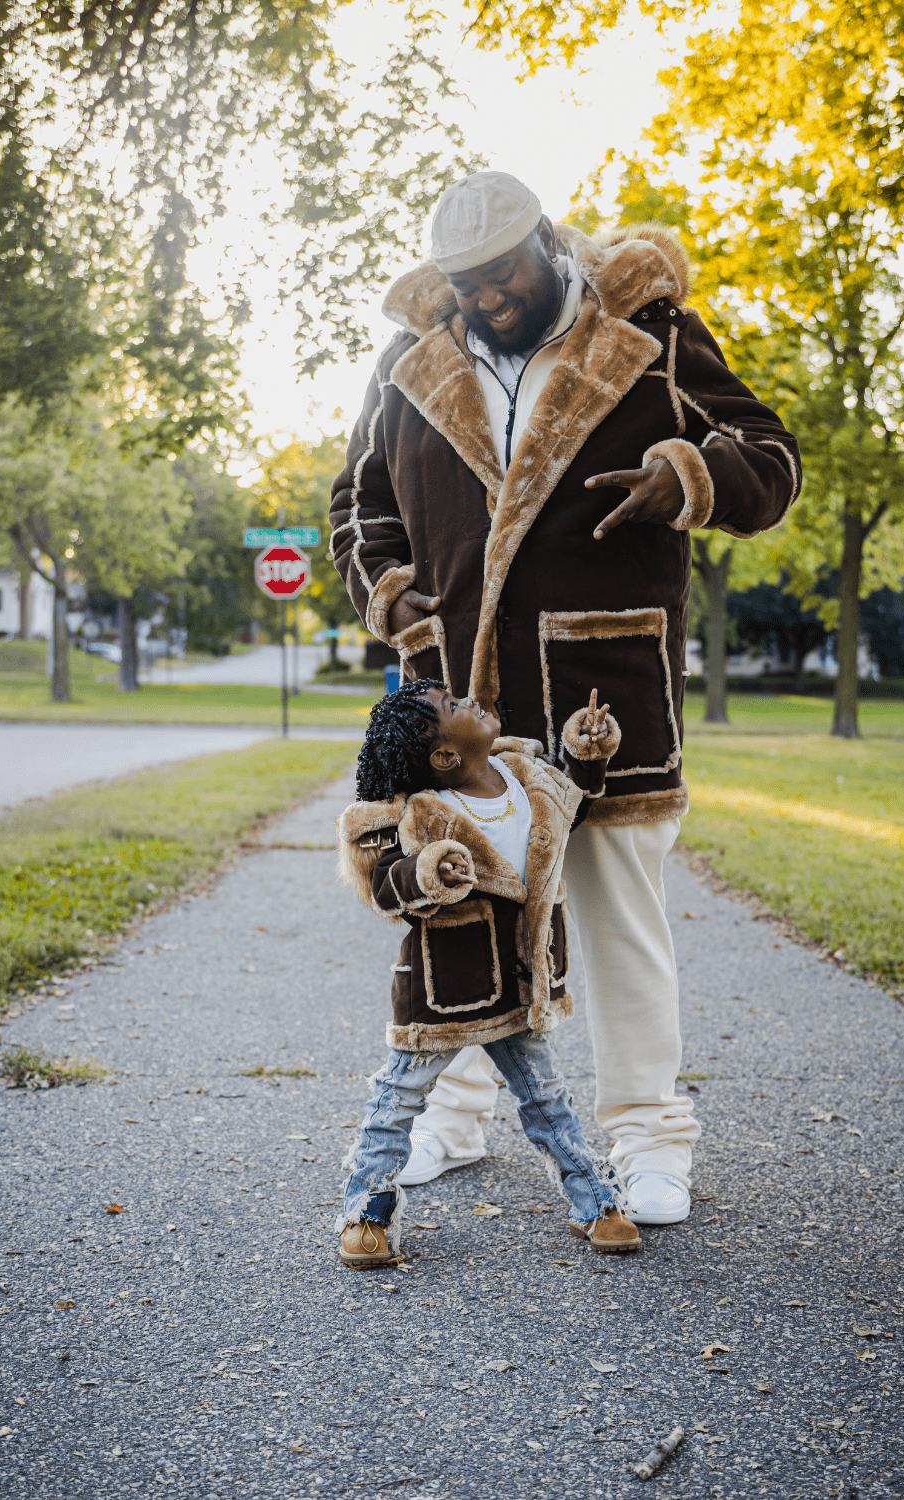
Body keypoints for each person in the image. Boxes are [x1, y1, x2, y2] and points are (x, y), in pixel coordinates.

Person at [330, 171, 802, 1225]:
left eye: (502, 280)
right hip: (455, 696)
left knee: (621, 919)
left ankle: (647, 1136)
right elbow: (357, 499)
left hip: (606, 687)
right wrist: (387, 592)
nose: (488, 303)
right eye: (467, 288)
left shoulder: (650, 331)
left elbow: (770, 460)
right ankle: (452, 1122)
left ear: (545, 245)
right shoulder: (411, 355)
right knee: (455, 907)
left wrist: (685, 479)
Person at [336, 679, 641, 1266]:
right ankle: (365, 1210)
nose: (469, 699)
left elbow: (572, 807)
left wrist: (585, 755)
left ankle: (595, 1201)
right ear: (446, 756)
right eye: (453, 707)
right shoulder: (425, 814)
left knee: (547, 1099)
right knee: (397, 1098)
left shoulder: (527, 779)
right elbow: (385, 887)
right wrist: (425, 871)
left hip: (522, 987)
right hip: (443, 990)